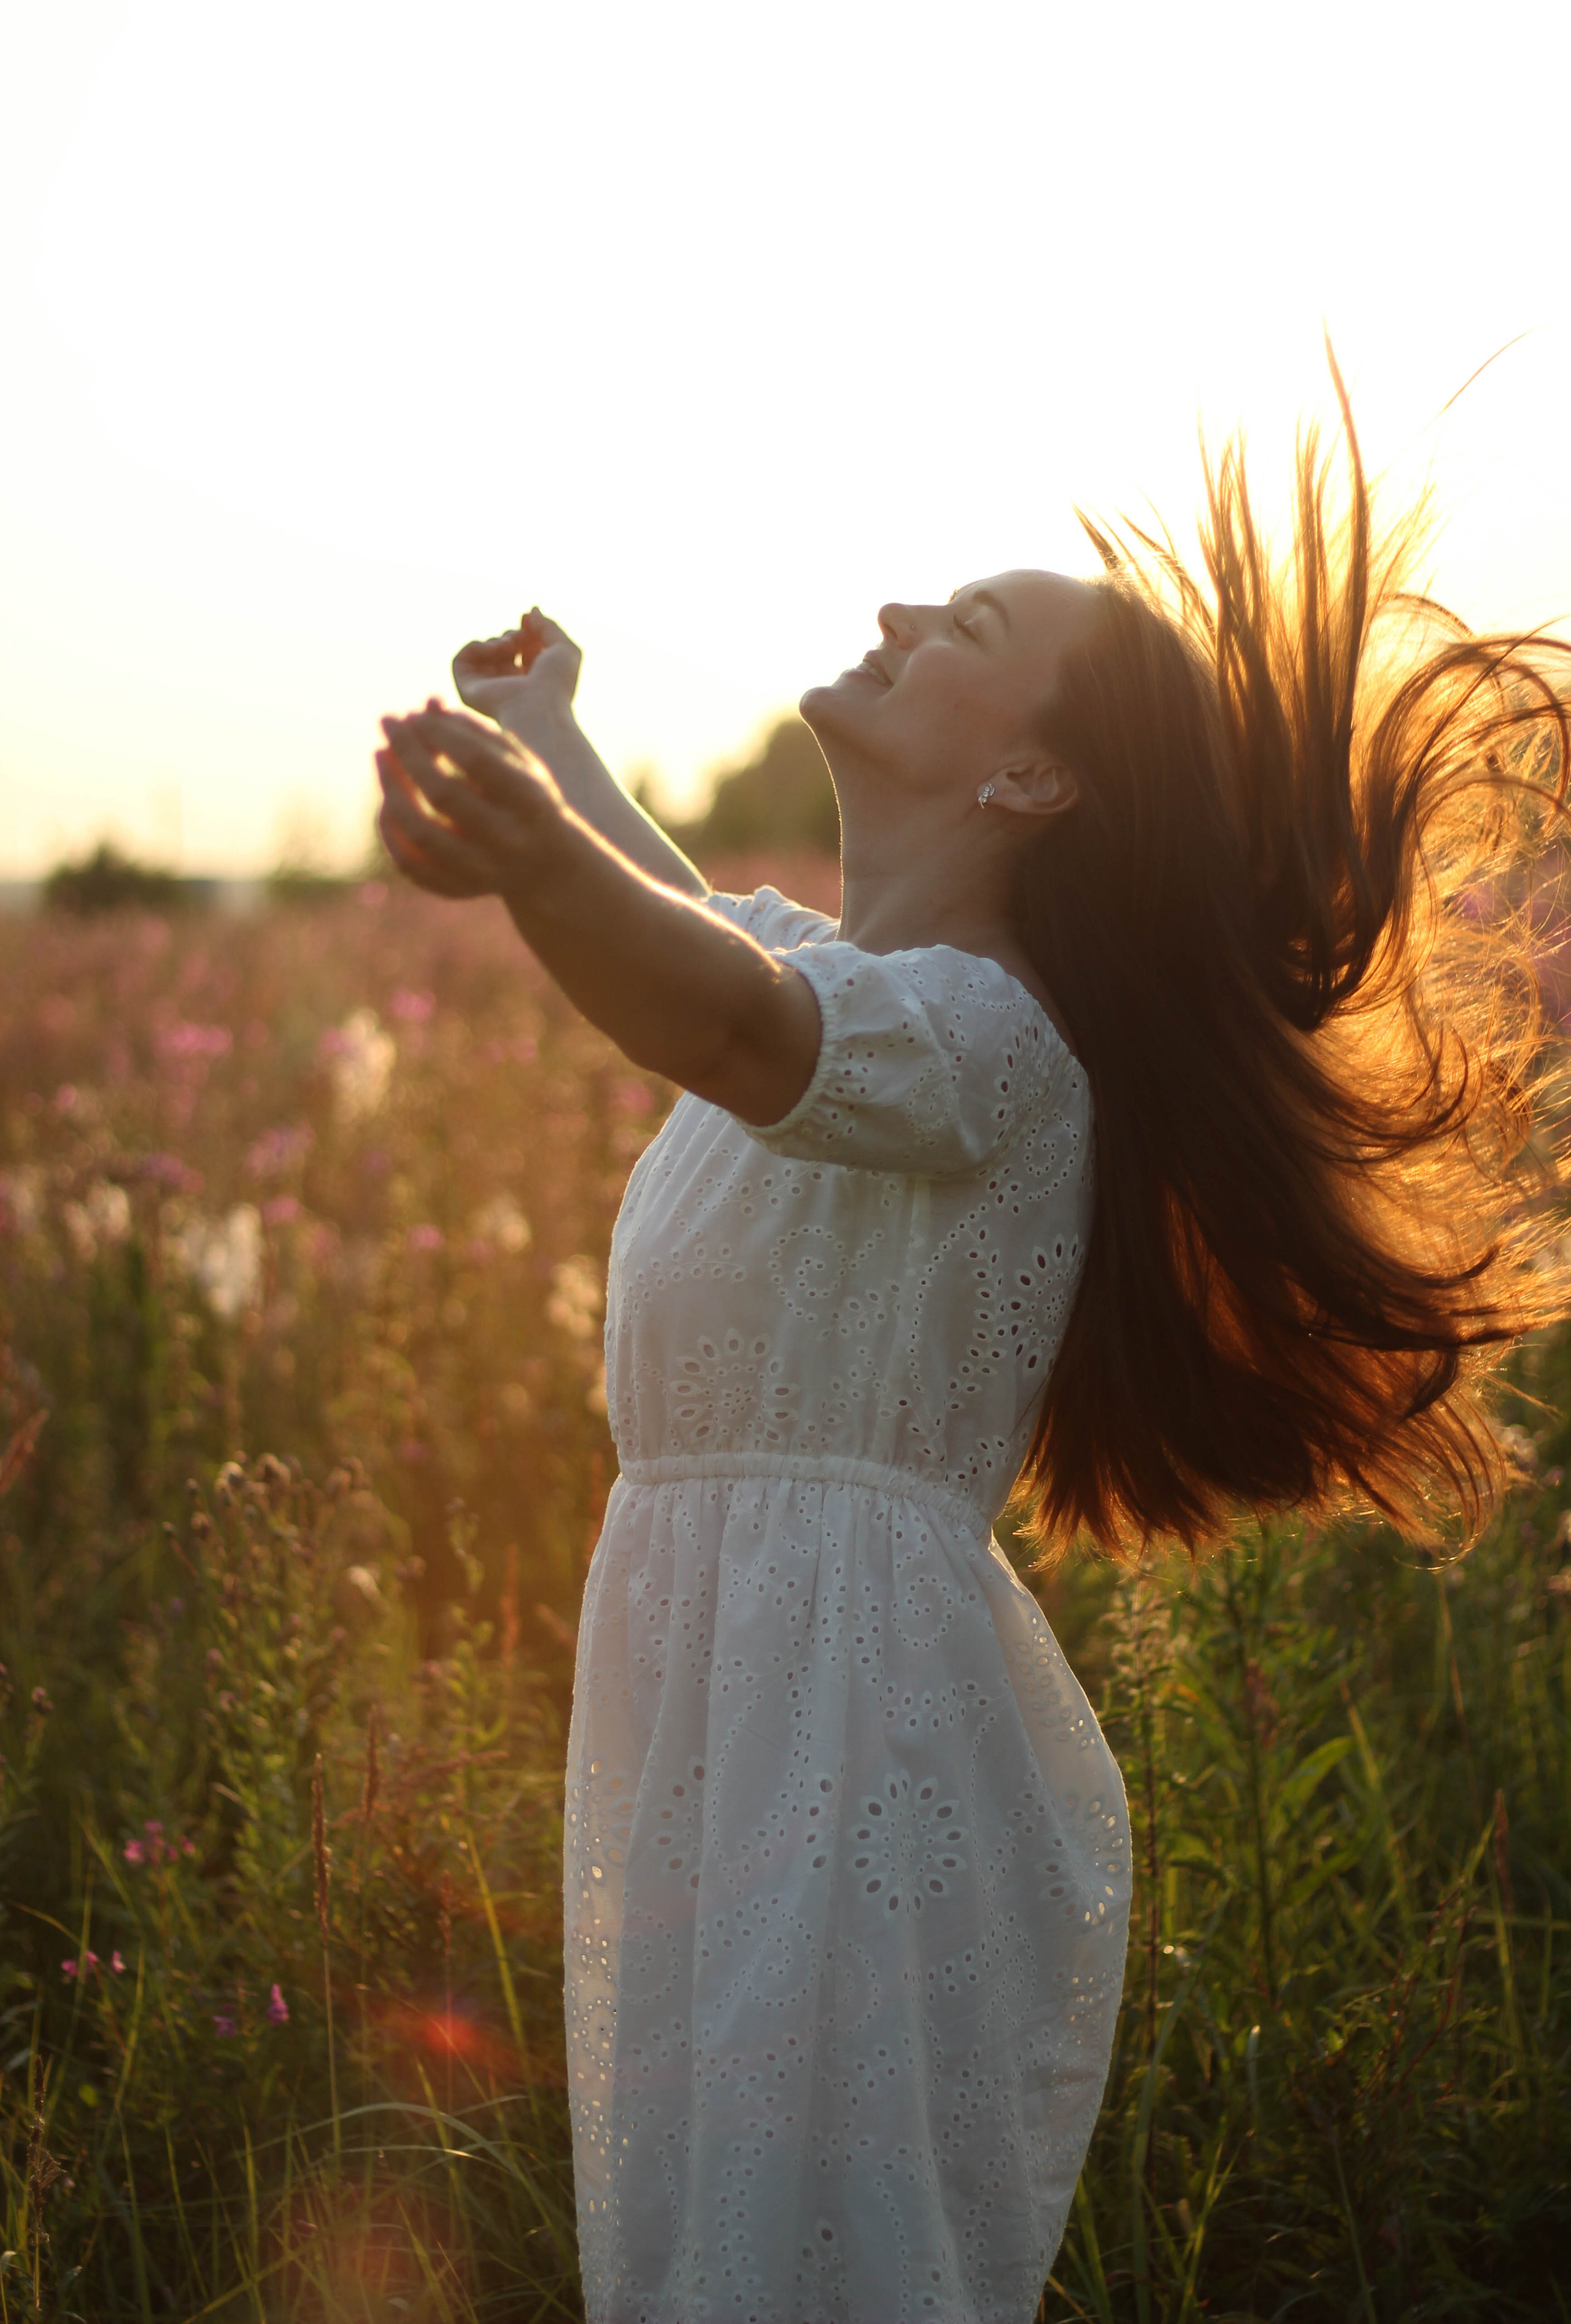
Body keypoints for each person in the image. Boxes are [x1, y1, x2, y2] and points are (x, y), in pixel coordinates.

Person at [374, 376, 1571, 2324]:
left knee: (802, 2260)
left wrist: (526, 851)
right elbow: (718, 947)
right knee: (705, 2243)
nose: (907, 612)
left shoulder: (999, 1047)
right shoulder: (855, 982)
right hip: (725, 1682)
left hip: (847, 1725)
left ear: (1029, 783)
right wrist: (554, 746)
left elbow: (730, 1025)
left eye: (971, 629)